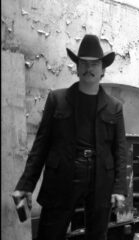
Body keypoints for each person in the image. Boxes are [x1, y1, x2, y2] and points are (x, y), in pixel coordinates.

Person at [12, 34, 128, 240]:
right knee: (50, 233)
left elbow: (120, 150)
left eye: (95, 64)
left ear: (103, 69)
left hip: (101, 178)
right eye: (83, 62)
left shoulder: (114, 107)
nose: (88, 68)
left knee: (97, 235)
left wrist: (120, 188)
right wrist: (25, 184)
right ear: (77, 66)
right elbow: (41, 145)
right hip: (63, 175)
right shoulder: (57, 99)